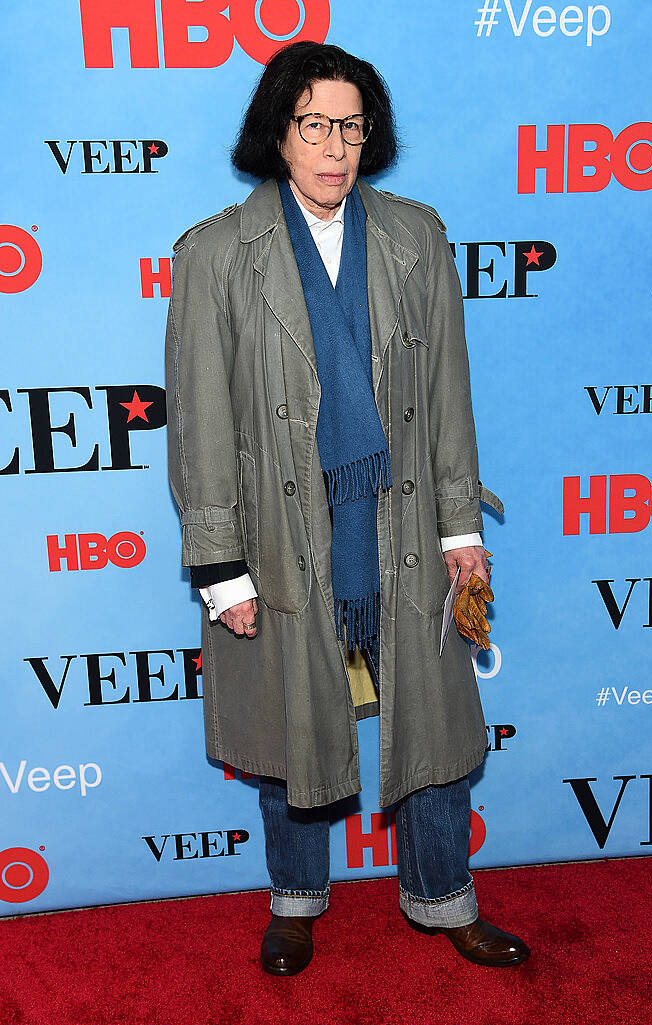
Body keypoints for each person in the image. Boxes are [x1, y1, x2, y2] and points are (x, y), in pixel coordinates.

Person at [165, 40, 530, 976]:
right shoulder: (213, 254)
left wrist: (461, 528)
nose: (335, 147)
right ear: (277, 134)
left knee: (435, 724)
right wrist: (219, 566)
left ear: (372, 135)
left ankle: (444, 897)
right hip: (282, 530)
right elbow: (201, 421)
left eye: (352, 126)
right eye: (314, 124)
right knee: (293, 721)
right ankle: (295, 901)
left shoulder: (415, 235)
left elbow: (447, 393)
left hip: (404, 521)